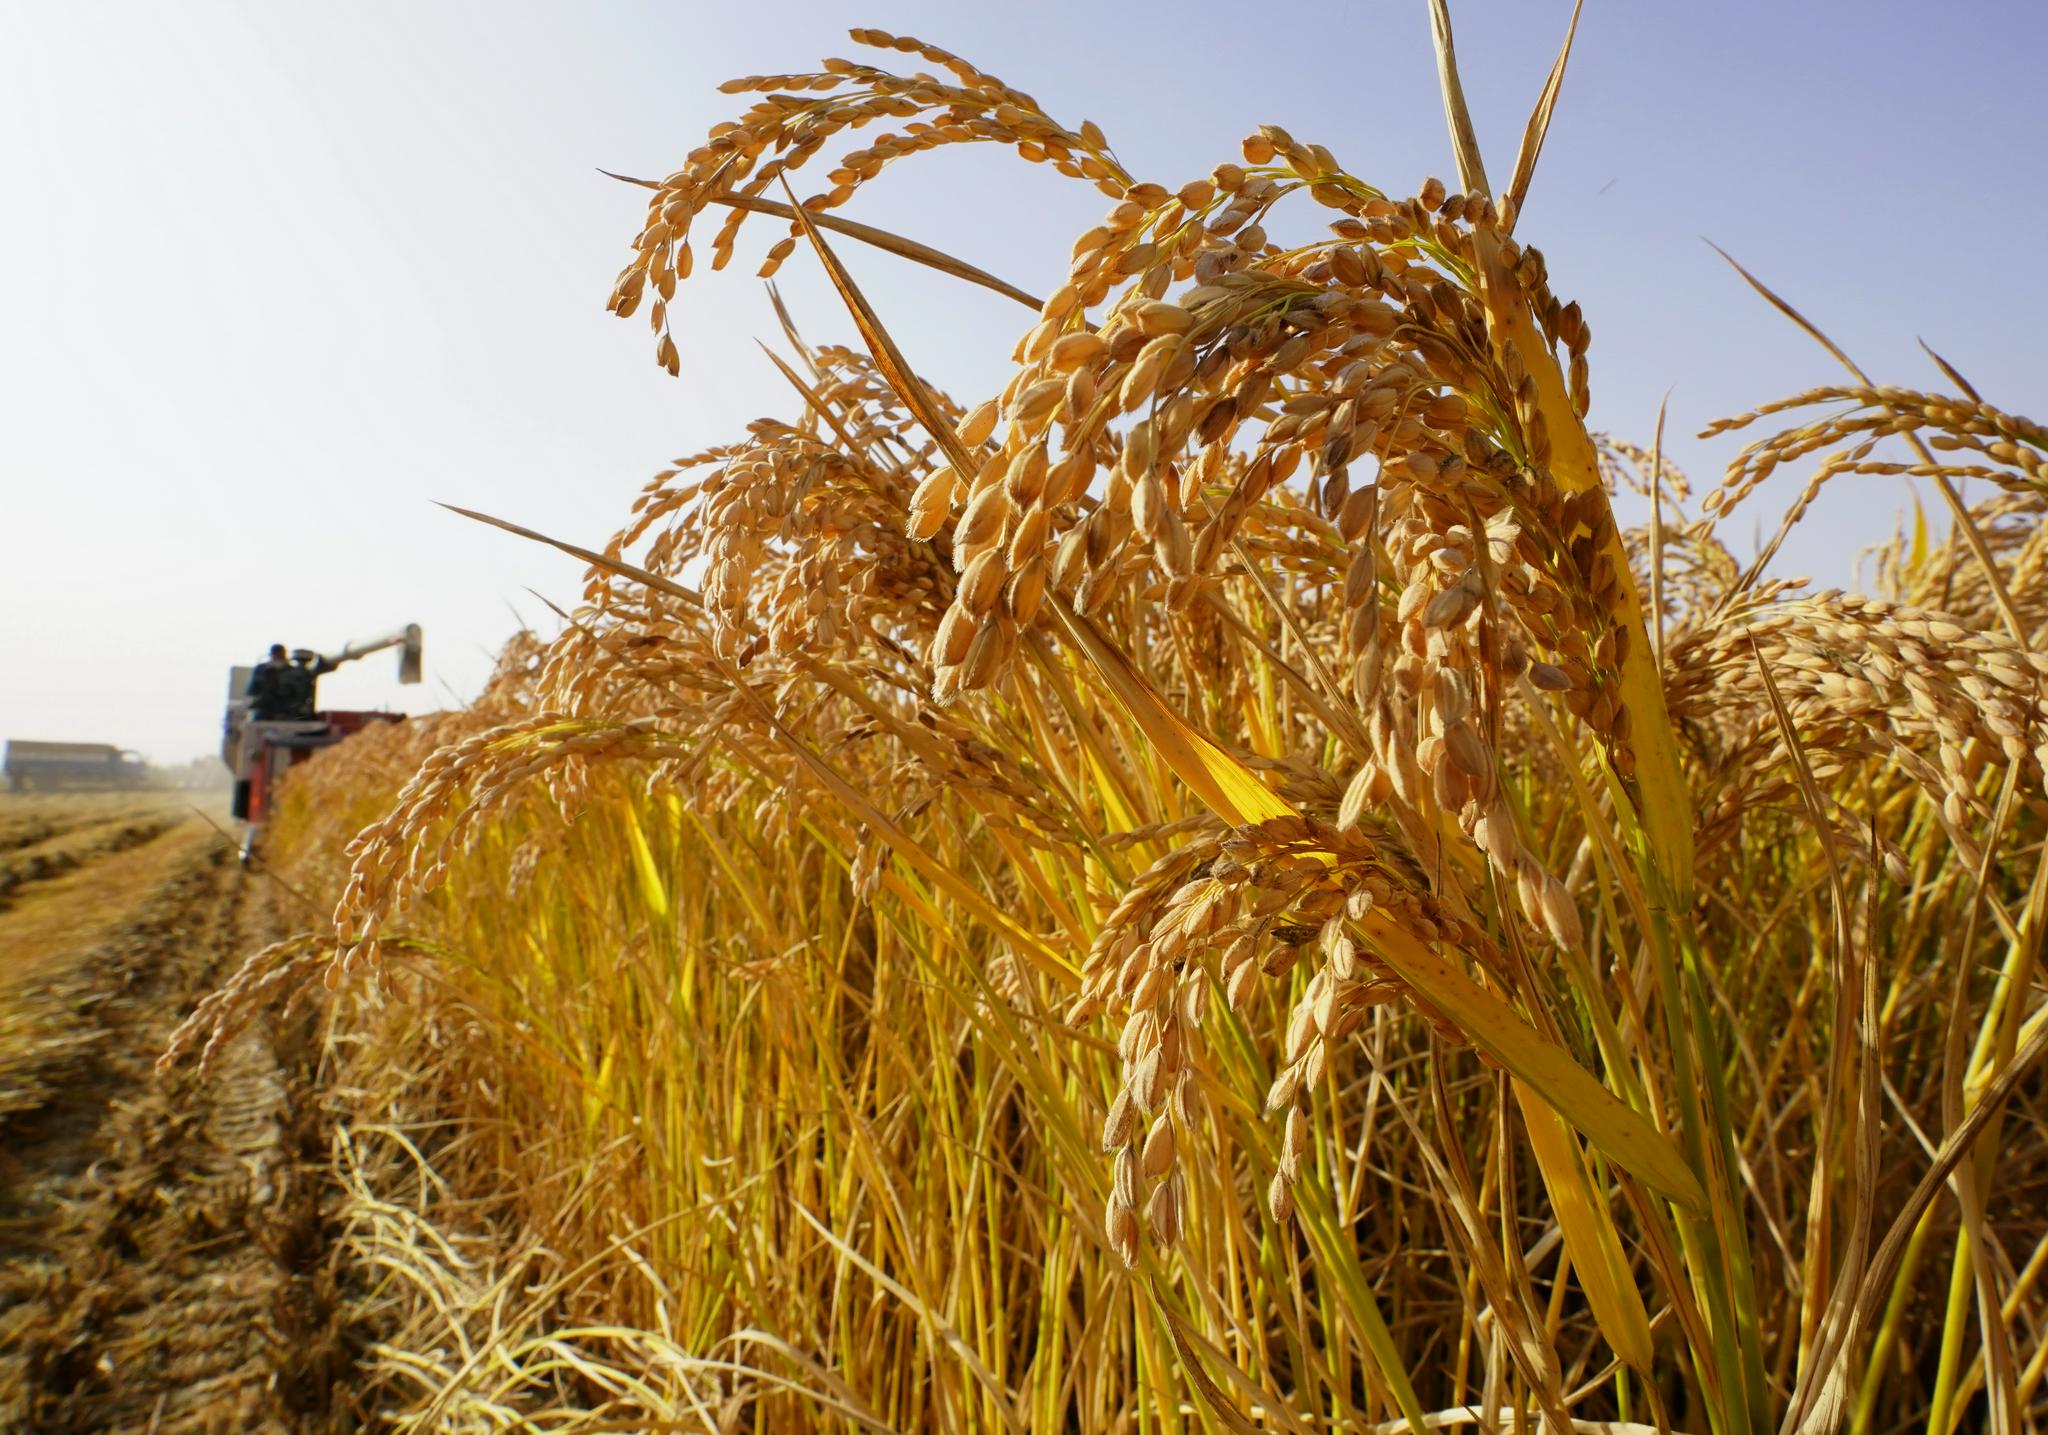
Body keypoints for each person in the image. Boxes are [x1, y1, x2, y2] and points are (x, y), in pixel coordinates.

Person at [283, 647, 339, 719]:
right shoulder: (289, 674)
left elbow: (327, 667)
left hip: (304, 709)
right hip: (290, 710)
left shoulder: (306, 673)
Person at [246, 644, 293, 720]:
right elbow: (252, 690)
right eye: (276, 653)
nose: (278, 656)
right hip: (264, 708)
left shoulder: (291, 670)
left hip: (285, 708)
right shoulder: (261, 669)